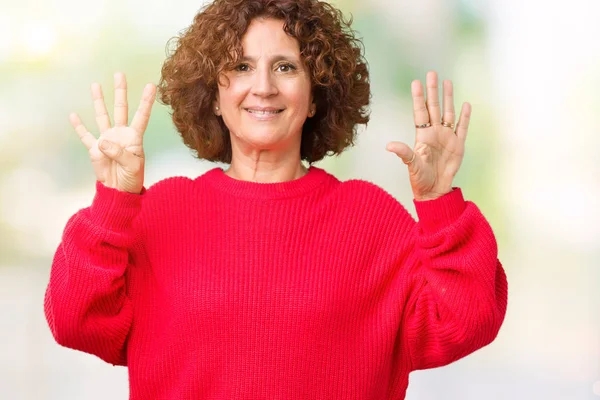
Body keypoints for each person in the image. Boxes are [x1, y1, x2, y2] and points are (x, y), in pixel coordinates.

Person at [44, 0, 508, 398]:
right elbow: (73, 320)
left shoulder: (370, 219)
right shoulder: (158, 212)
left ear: (315, 95)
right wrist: (111, 203)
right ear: (213, 94)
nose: (263, 86)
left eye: (285, 67)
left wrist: (440, 202)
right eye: (241, 67)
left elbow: (468, 321)